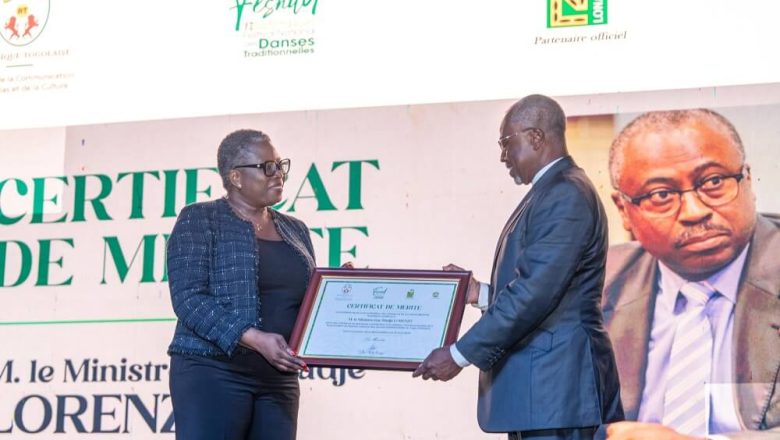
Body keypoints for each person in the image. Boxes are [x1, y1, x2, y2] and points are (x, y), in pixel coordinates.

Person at [413, 94, 624, 440]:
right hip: (545, 396)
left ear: (536, 137)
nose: (502, 156)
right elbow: (552, 291)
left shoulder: (565, 193)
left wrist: (458, 354)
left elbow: (534, 294)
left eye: (505, 143)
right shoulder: (552, 191)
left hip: (558, 392)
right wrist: (480, 293)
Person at [602, 109, 780, 439]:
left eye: (714, 183)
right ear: (624, 210)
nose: (695, 212)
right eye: (661, 195)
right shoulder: (596, 287)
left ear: (748, 181)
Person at [166, 129, 315, 440]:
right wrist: (254, 338)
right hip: (212, 370)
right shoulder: (200, 219)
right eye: (267, 167)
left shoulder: (296, 230)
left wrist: (340, 291)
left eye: (280, 165)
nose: (279, 175)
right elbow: (189, 299)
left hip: (278, 378)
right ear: (235, 177)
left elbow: (306, 300)